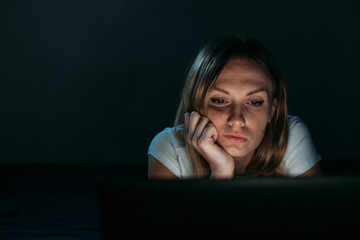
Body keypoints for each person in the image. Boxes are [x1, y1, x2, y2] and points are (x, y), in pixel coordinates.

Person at [147, 35, 321, 179]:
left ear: (271, 111)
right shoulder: (169, 148)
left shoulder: (290, 136)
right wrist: (221, 171)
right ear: (198, 104)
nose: (237, 120)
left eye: (254, 102)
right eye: (220, 101)